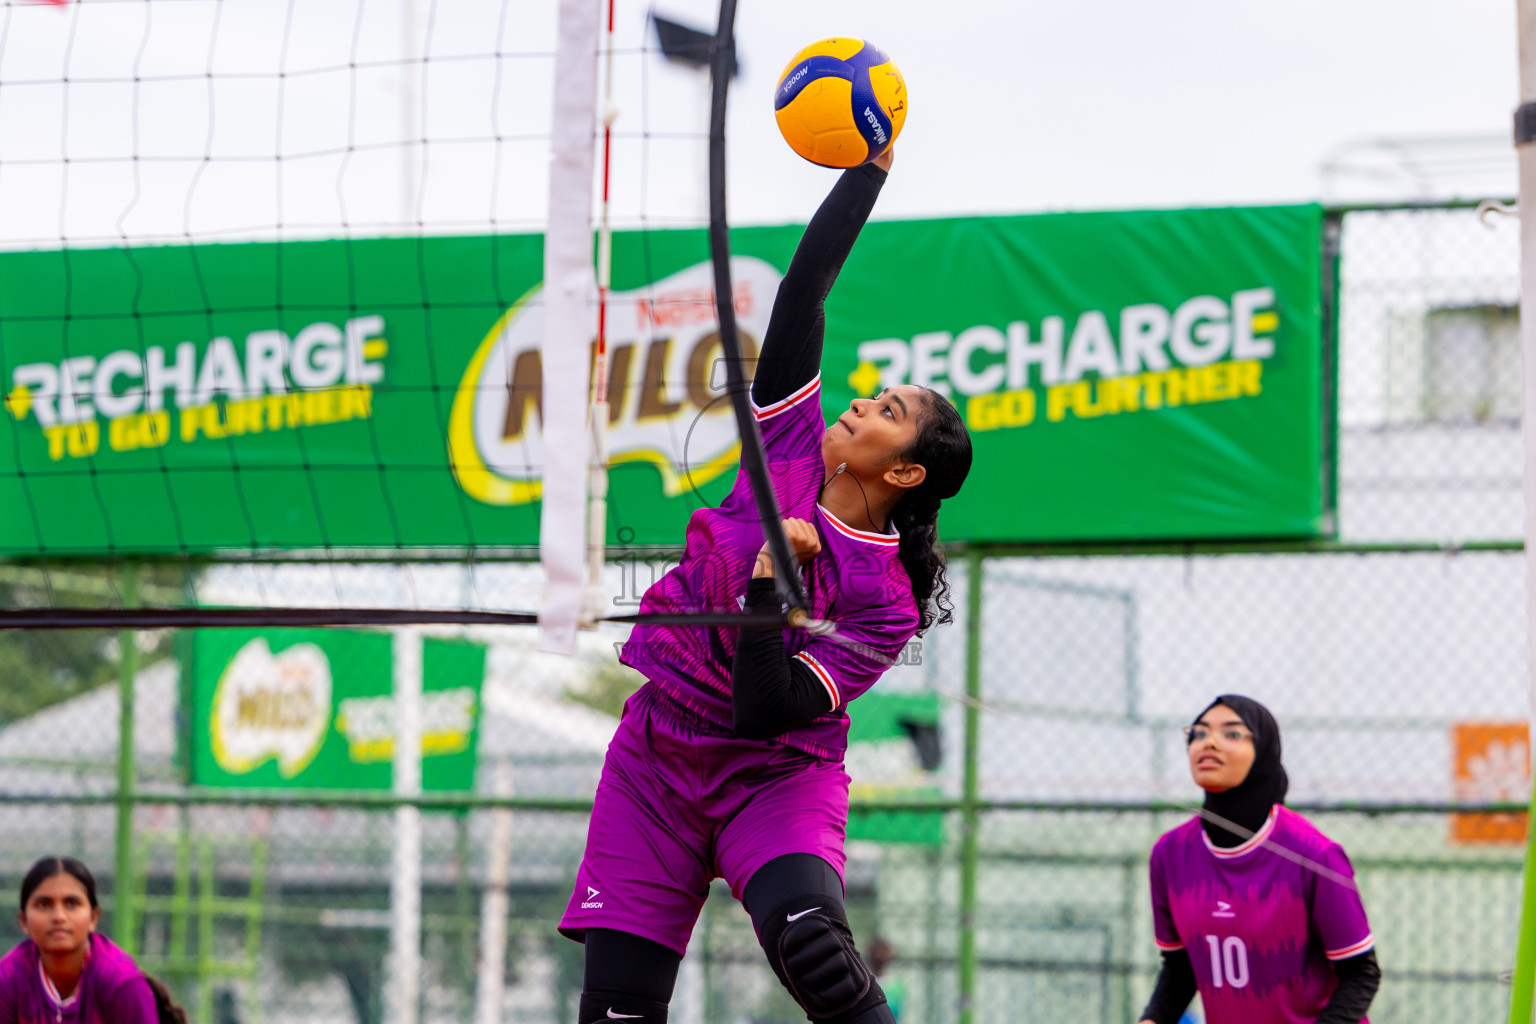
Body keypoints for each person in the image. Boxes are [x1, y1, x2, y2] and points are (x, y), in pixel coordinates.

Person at [558, 148, 973, 1024]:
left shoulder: (884, 599)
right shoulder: (786, 443)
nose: (863, 404)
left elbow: (766, 710)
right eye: (873, 396)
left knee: (813, 948)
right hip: (656, 762)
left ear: (904, 475)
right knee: (616, 1014)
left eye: (888, 413)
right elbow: (802, 296)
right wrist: (869, 175)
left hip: (773, 776)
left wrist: (764, 592)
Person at [1138, 696, 1381, 1024]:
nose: (1209, 742)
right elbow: (1181, 966)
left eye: (1232, 734)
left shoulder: (1314, 854)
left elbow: (1360, 974)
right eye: (1198, 733)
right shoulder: (1169, 854)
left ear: (1264, 751)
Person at [0, 856, 187, 1024]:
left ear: (94, 918)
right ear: (23, 920)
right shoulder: (8, 978)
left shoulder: (122, 982)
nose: (58, 916)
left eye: (72, 904)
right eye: (44, 905)